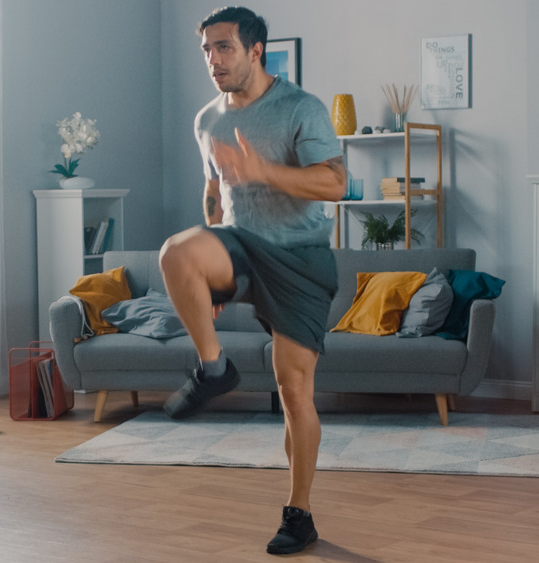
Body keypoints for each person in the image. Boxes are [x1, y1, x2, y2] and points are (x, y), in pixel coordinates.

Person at [158, 6, 346, 556]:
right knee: (175, 253)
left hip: (302, 261)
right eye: (207, 51)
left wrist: (264, 170)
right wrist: (210, 276)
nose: (213, 61)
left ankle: (300, 513)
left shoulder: (300, 108)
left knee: (293, 390)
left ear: (255, 50)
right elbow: (214, 194)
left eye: (224, 48)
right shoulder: (207, 120)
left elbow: (336, 183)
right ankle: (214, 368)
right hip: (242, 245)